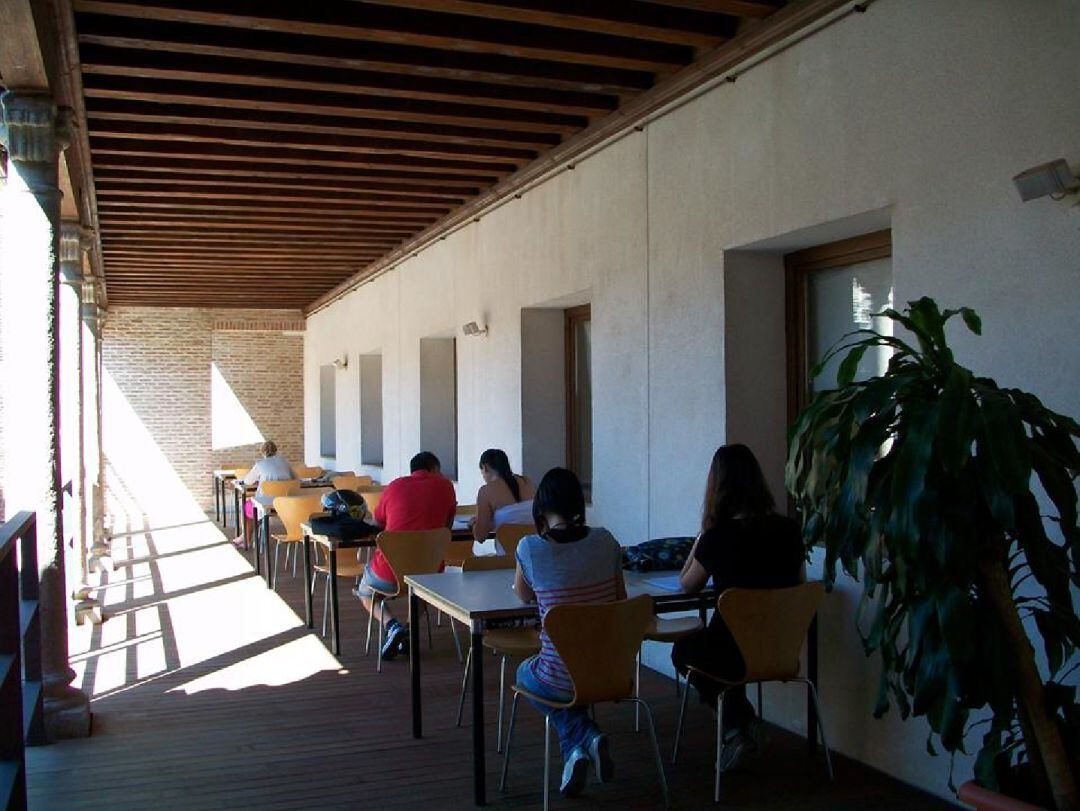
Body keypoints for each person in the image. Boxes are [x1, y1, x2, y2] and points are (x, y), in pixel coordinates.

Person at [671, 444, 804, 773]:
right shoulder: (789, 530)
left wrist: (703, 534)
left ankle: (735, 728)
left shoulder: (719, 536)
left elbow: (686, 584)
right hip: (780, 647)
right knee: (721, 651)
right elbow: (799, 586)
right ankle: (744, 722)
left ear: (718, 486)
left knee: (684, 651)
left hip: (731, 652)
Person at [513, 467, 625, 798]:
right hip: (609, 671)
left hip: (561, 676)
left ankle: (584, 735)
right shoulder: (605, 540)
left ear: (541, 506)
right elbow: (620, 600)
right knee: (568, 689)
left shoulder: (531, 548)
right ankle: (579, 745)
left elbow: (524, 595)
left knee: (524, 672)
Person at [355, 451, 456, 660]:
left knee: (364, 592)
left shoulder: (394, 486)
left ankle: (392, 626)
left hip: (388, 574)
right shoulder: (446, 486)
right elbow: (447, 527)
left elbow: (378, 524)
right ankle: (408, 631)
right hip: (429, 572)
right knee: (421, 588)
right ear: (435, 469)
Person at [233, 440, 294, 550]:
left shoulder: (260, 464)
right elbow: (295, 479)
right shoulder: (284, 462)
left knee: (246, 506)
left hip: (266, 503)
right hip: (286, 503)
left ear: (262, 452)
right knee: (252, 506)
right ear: (276, 450)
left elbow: (248, 481)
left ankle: (245, 539)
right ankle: (243, 538)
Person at [471, 448, 535, 548]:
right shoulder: (527, 482)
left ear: (485, 467)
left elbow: (480, 537)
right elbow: (518, 518)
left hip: (506, 558)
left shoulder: (486, 491)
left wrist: (475, 523)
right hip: (533, 553)